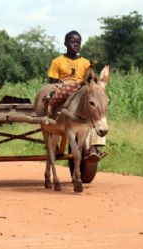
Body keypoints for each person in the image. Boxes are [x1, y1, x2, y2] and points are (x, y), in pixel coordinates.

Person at [47, 30, 106, 161]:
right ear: (65, 44)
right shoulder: (57, 61)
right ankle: (51, 120)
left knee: (96, 109)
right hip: (62, 88)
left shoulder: (85, 62)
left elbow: (90, 80)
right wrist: (66, 85)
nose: (75, 44)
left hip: (82, 90)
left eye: (78, 42)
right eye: (72, 42)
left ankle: (94, 148)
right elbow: (52, 82)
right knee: (52, 100)